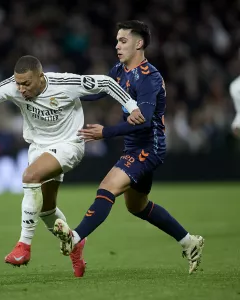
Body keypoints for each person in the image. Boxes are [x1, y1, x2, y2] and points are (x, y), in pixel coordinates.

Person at [0, 55, 145, 277]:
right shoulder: (11, 87)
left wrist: (132, 107)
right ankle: (75, 243)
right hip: (39, 148)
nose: (21, 89)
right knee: (46, 210)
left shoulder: (65, 83)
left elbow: (105, 82)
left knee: (30, 176)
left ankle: (23, 245)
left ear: (41, 77)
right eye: (19, 83)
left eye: (26, 83)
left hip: (69, 144)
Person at [52, 21, 205, 275]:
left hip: (149, 147)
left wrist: (106, 132)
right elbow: (99, 91)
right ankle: (189, 242)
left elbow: (142, 119)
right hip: (134, 147)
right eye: (116, 41)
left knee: (107, 187)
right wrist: (66, 95)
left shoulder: (149, 78)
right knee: (137, 206)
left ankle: (76, 238)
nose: (117, 45)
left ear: (139, 43)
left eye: (122, 41)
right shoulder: (119, 71)